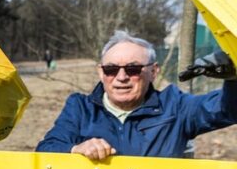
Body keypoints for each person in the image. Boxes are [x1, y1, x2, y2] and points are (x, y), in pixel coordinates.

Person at [36, 30, 237, 159]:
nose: (121, 77)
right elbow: (46, 149)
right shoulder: (80, 108)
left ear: (153, 71)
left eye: (133, 69)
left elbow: (227, 110)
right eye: (111, 69)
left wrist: (234, 79)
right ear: (100, 72)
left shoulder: (175, 106)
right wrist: (76, 149)